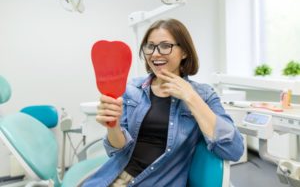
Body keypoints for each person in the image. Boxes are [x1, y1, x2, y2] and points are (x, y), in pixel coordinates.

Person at [82, 18, 244, 187]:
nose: (155, 53)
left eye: (166, 46)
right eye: (150, 46)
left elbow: (234, 149)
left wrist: (191, 97)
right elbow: (117, 150)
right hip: (112, 177)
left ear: (184, 52)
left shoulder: (203, 95)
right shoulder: (131, 89)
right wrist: (112, 125)